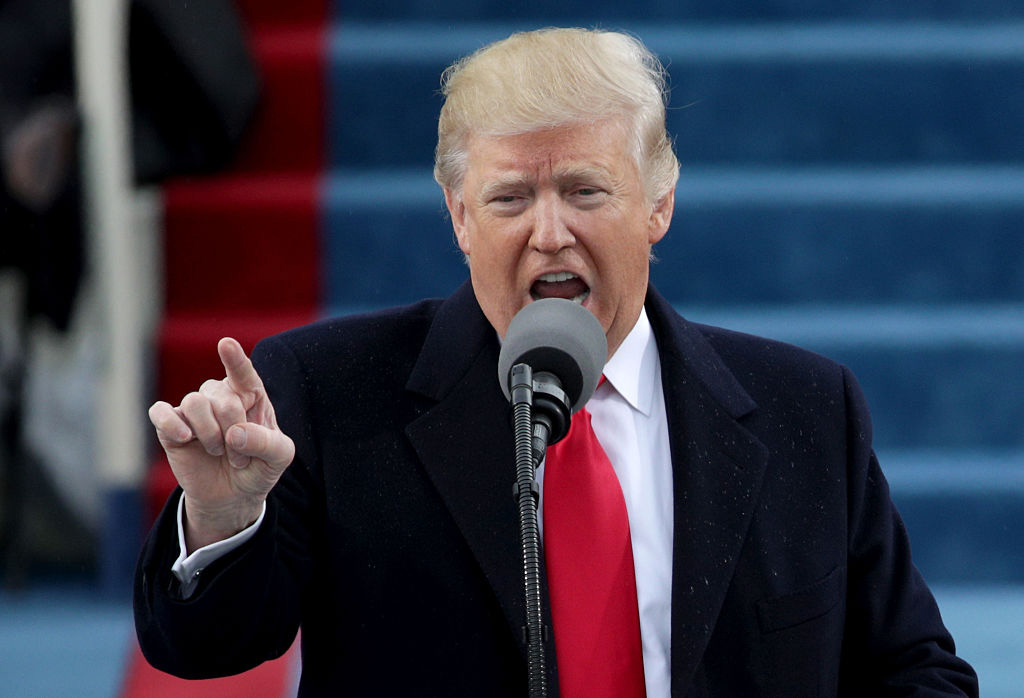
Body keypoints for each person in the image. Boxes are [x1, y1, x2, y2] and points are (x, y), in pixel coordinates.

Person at [135, 28, 978, 697]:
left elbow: (915, 672)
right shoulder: (327, 391)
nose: (549, 233)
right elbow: (204, 649)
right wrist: (221, 519)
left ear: (659, 203)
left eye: (584, 191)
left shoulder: (806, 407)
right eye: (510, 198)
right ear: (459, 217)